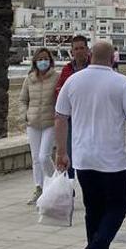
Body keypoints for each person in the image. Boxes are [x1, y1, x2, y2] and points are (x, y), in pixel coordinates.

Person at [55, 41, 126, 249]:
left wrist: (62, 151)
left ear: (90, 55)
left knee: (93, 209)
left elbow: (60, 117)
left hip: (83, 158)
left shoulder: (73, 81)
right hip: (112, 159)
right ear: (112, 58)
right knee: (119, 206)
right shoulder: (121, 83)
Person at [20, 48, 58, 204]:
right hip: (33, 123)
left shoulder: (57, 77)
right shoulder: (30, 79)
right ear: (35, 61)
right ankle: (39, 188)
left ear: (50, 60)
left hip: (50, 122)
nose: (43, 62)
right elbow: (23, 99)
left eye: (46, 59)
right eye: (40, 59)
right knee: (36, 158)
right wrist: (25, 114)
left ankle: (55, 184)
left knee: (44, 156)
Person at [55, 35, 91, 180]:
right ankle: (68, 186)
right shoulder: (67, 69)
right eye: (76, 49)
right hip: (70, 119)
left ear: (87, 49)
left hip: (89, 118)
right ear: (72, 51)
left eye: (82, 48)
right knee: (68, 152)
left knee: (88, 152)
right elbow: (59, 91)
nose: (79, 51)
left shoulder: (94, 67)